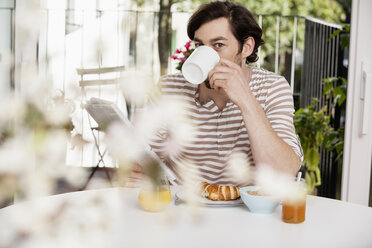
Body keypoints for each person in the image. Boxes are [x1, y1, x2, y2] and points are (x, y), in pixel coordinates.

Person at [129, 0, 303, 187]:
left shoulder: (272, 87)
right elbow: (140, 160)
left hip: (246, 211)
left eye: (218, 45)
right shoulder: (170, 88)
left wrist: (246, 100)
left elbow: (283, 173)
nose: (206, 54)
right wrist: (141, 173)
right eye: (199, 46)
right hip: (183, 208)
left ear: (246, 47)